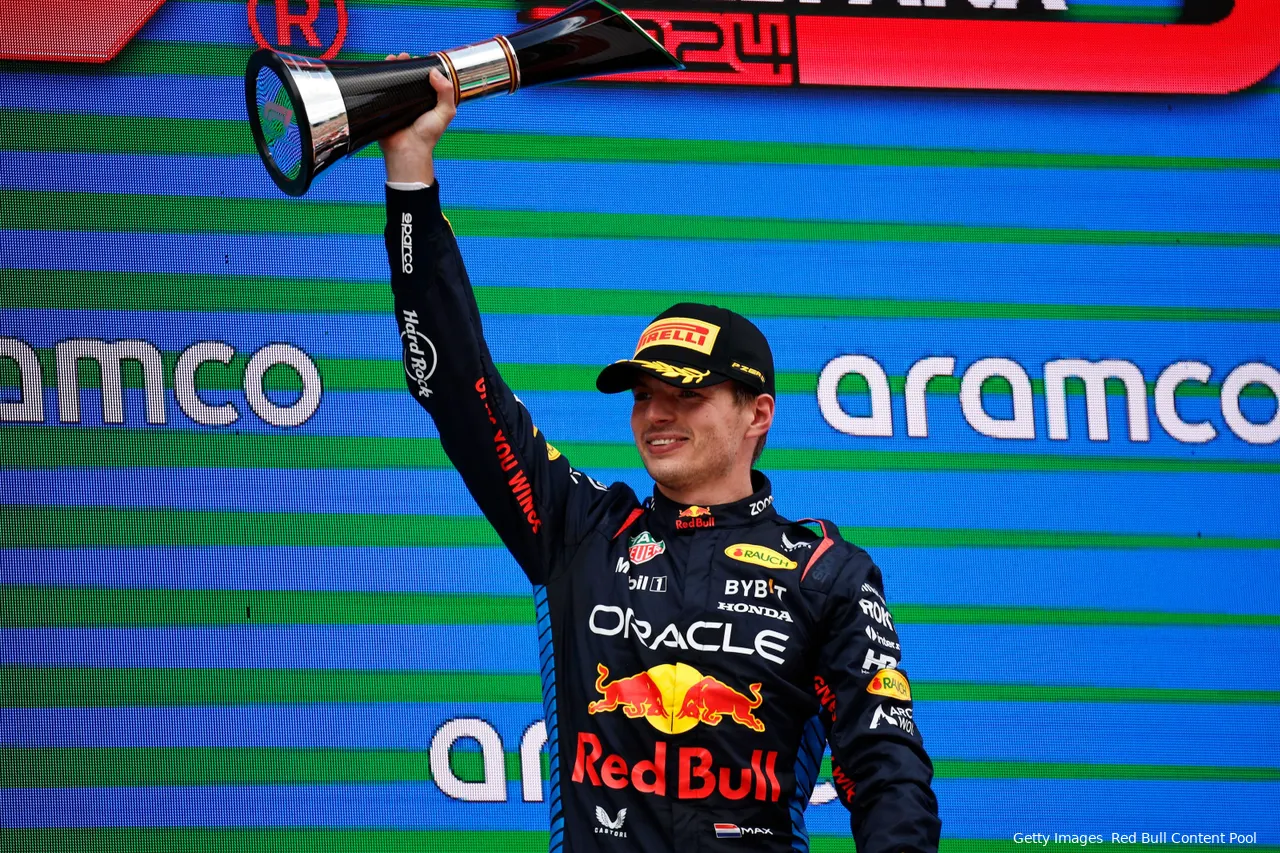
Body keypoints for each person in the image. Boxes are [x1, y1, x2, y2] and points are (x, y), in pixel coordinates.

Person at [378, 58, 941, 853]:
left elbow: (886, 771)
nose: (656, 413)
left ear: (759, 414)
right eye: (644, 394)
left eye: (688, 393)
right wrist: (411, 174)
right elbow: (458, 389)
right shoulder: (581, 530)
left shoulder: (826, 572)